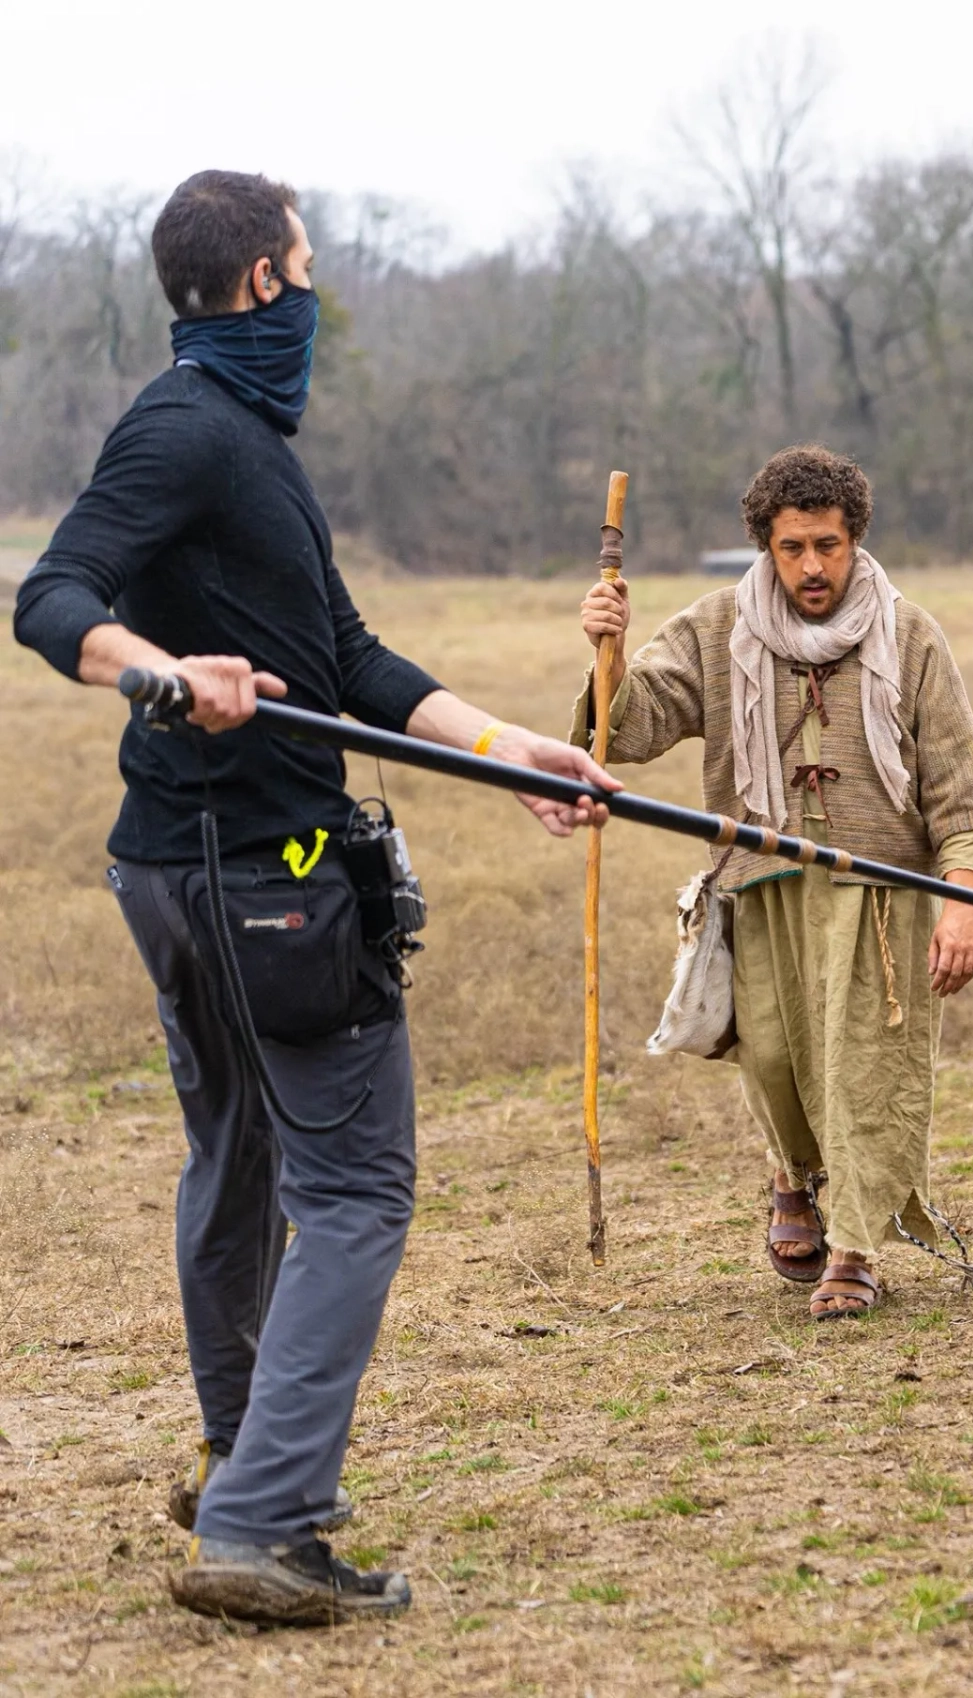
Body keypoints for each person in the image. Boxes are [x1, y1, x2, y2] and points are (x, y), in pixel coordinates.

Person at [12, 170, 617, 1623]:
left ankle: (245, 1465)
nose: (319, 291)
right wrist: (161, 671)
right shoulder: (185, 428)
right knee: (357, 1189)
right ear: (269, 285)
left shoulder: (249, 447)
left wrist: (503, 744)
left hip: (183, 872)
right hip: (256, 883)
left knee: (241, 1162)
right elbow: (51, 596)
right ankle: (266, 1518)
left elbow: (345, 660)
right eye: (310, 265)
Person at [573, 445, 973, 1320]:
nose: (813, 566)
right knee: (771, 1058)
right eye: (793, 548)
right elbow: (627, 731)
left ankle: (854, 1246)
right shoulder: (713, 629)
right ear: (765, 547)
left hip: (878, 896)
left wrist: (961, 901)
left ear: (856, 541)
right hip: (759, 883)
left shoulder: (911, 636)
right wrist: (606, 650)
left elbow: (962, 789)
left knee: (862, 1070)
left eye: (829, 546)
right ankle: (789, 1178)